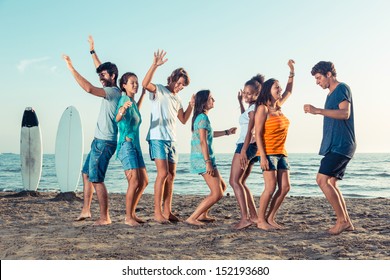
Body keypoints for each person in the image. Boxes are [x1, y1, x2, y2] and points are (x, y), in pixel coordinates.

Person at [63, 47, 121, 226]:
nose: (101, 78)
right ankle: (86, 210)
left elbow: (88, 88)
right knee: (86, 174)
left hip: (104, 143)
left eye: (103, 75)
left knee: (97, 179)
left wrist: (71, 68)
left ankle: (105, 217)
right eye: (100, 76)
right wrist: (92, 51)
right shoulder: (112, 88)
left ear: (113, 76)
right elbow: (100, 67)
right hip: (98, 141)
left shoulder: (113, 93)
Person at [142, 50, 195, 223]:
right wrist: (155, 65)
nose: (180, 87)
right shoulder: (159, 90)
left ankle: (167, 211)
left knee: (171, 176)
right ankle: (157, 213)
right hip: (157, 137)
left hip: (172, 140)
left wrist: (191, 105)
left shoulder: (177, 98)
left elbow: (184, 120)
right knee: (162, 174)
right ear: (172, 79)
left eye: (183, 86)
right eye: (179, 83)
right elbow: (145, 83)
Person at [304, 61, 356, 235]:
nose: (317, 82)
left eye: (319, 78)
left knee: (321, 180)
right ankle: (345, 221)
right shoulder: (329, 95)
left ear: (329, 74)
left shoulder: (342, 88)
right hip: (335, 145)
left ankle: (342, 221)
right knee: (331, 182)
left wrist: (317, 111)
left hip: (342, 144)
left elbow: (344, 113)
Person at [254, 59, 295, 230]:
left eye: (279, 87)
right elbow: (257, 133)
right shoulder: (263, 109)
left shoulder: (278, 106)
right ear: (268, 91)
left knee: (285, 187)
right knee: (270, 188)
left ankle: (271, 218)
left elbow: (289, 91)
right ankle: (260, 220)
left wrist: (292, 72)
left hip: (281, 152)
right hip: (268, 152)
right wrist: (262, 156)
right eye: (276, 87)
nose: (279, 90)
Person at [186, 90, 236, 226]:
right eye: (210, 98)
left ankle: (203, 214)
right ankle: (192, 218)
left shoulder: (202, 118)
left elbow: (209, 135)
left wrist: (227, 132)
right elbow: (203, 141)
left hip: (208, 158)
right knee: (217, 193)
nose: (214, 100)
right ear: (203, 103)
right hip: (203, 159)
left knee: (222, 186)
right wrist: (207, 162)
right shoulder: (202, 117)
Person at [229, 75, 264, 230]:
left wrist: (243, 150)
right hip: (250, 146)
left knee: (234, 181)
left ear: (257, 94)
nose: (246, 95)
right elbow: (247, 118)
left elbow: (251, 128)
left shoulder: (254, 108)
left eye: (250, 93)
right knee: (241, 182)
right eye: (245, 92)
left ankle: (245, 218)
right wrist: (239, 102)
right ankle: (254, 216)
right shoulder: (252, 108)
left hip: (245, 145)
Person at [115, 72, 148, 226]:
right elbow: (118, 117)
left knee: (144, 181)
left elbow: (136, 111)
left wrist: (142, 95)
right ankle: (128, 217)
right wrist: (122, 109)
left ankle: (132, 214)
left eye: (136, 82)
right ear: (124, 85)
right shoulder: (124, 100)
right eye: (132, 82)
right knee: (134, 181)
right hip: (126, 145)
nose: (135, 84)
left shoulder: (132, 102)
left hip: (136, 147)